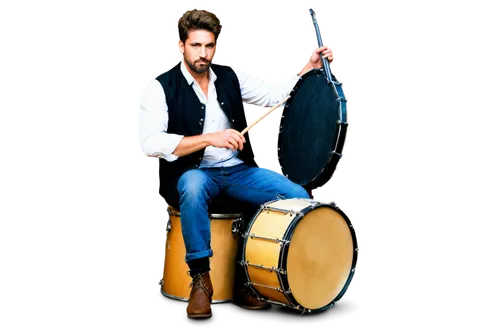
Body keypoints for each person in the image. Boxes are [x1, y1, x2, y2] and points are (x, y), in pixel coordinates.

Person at [138, 7, 336, 318]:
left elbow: (274, 95)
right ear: (181, 46)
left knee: (297, 195)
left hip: (237, 170)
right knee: (192, 186)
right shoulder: (159, 87)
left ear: (215, 46)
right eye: (195, 45)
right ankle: (201, 280)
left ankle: (255, 277)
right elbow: (149, 142)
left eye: (209, 46)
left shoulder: (230, 76)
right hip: (194, 172)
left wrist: (308, 67)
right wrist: (209, 138)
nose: (203, 54)